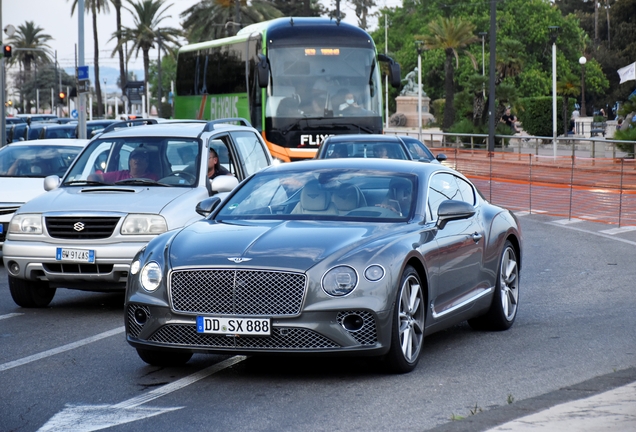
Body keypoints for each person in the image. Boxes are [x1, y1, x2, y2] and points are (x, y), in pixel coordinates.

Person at [90, 147, 158, 182]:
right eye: (135, 157)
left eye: (141, 158)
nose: (137, 160)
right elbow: (92, 177)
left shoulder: (153, 178)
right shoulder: (120, 175)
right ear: (129, 162)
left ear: (147, 163)